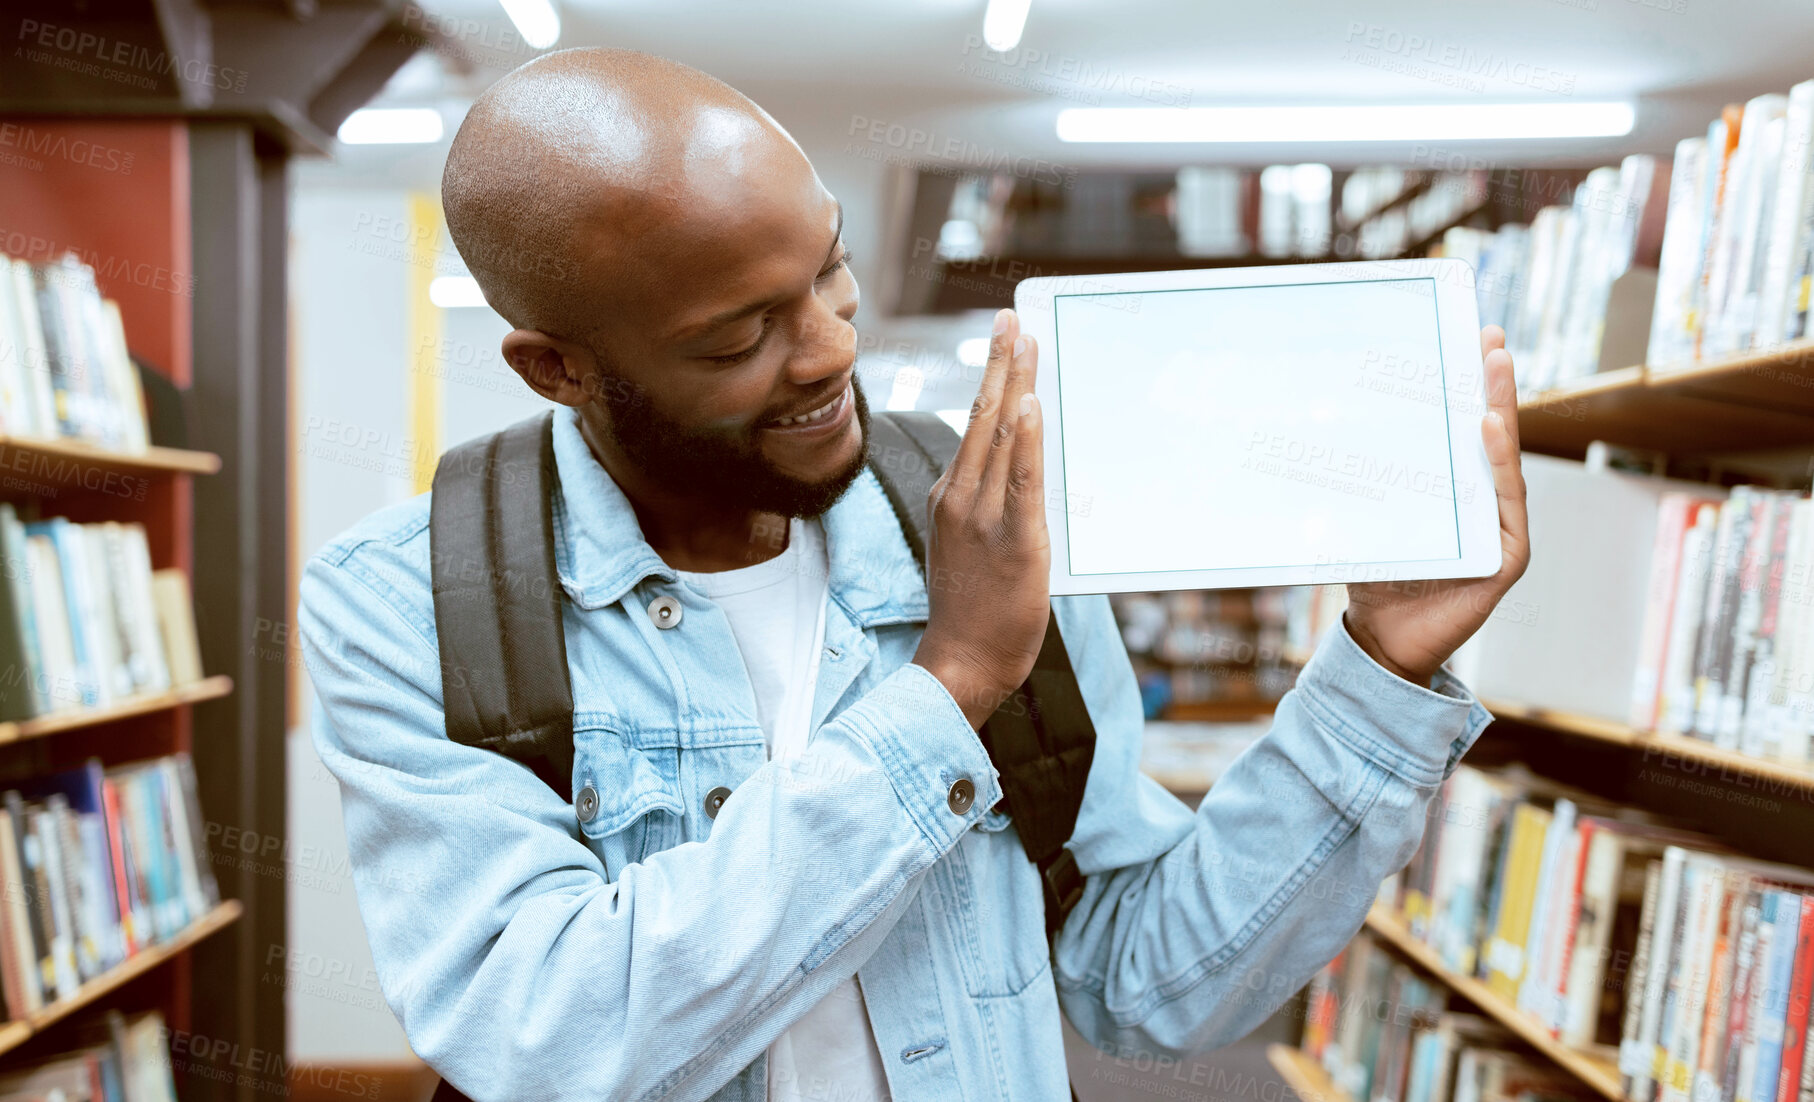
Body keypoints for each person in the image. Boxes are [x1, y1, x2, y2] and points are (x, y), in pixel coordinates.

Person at [298, 46, 1530, 1102]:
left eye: (828, 272)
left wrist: (1377, 667)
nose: (832, 349)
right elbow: (548, 1032)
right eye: (738, 338)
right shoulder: (408, 603)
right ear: (555, 369)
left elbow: (1146, 979)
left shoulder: (996, 528)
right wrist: (947, 688)